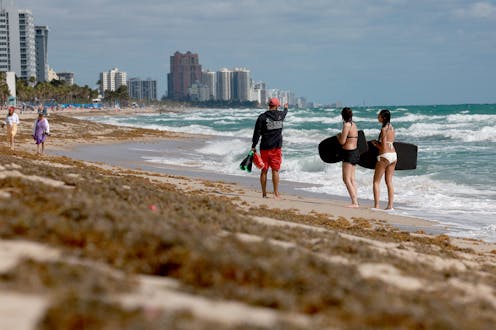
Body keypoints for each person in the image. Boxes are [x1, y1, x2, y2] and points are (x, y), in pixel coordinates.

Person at [251, 98, 288, 199]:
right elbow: (285, 113)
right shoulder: (280, 115)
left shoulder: (262, 117)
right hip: (276, 148)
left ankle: (264, 194)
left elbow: (257, 133)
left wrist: (253, 146)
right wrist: (286, 108)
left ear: (269, 105)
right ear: (277, 106)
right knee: (275, 170)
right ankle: (276, 194)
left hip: (264, 148)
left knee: (264, 171)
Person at [371, 109, 397, 210]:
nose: (378, 117)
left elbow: (384, 148)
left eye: (379, 116)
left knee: (376, 182)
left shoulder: (384, 129)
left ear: (384, 118)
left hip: (385, 156)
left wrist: (375, 144)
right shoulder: (392, 128)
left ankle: (376, 206)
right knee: (389, 182)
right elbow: (390, 143)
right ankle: (390, 206)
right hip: (394, 156)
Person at [336, 107, 360, 207]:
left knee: (346, 179)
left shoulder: (346, 125)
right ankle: (356, 200)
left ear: (343, 116)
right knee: (352, 178)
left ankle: (354, 202)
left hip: (348, 153)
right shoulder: (354, 124)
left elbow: (342, 141)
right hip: (355, 152)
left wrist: (338, 136)